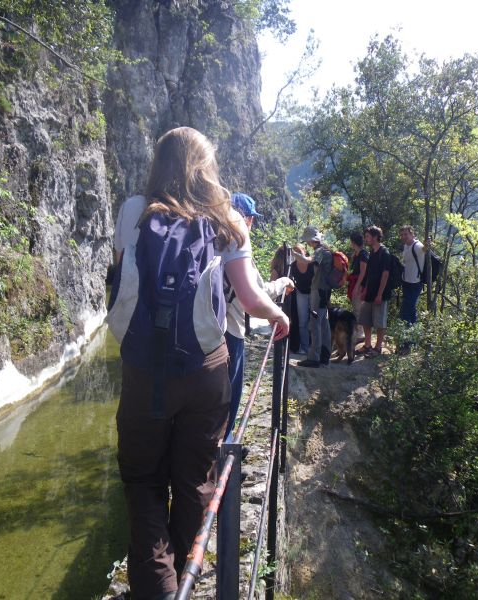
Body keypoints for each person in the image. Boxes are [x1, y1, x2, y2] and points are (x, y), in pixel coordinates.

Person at [115, 127, 289, 600]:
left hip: (143, 372)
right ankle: (182, 576)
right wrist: (277, 315)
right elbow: (250, 297)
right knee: (194, 478)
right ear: (206, 167)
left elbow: (128, 286)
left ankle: (160, 589)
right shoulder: (227, 218)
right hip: (205, 371)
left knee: (143, 481)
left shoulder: (133, 210)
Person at [224, 192, 294, 442]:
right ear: (248, 219)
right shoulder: (236, 242)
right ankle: (223, 458)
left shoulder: (208, 236)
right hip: (229, 331)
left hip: (200, 329)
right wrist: (284, 283)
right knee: (229, 398)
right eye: (252, 219)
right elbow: (257, 294)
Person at [291, 226, 333, 368]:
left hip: (318, 291)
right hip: (324, 292)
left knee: (315, 323)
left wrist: (295, 255)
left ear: (311, 240)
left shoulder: (320, 251)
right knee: (323, 323)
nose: (307, 243)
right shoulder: (325, 250)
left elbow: (308, 261)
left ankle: (314, 358)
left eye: (307, 240)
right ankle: (325, 355)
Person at [359, 225, 392, 355]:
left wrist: (379, 294)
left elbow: (385, 274)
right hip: (370, 292)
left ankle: (378, 348)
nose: (366, 239)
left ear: (375, 237)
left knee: (379, 321)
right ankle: (367, 345)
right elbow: (369, 273)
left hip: (381, 294)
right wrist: (365, 289)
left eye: (367, 236)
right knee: (365, 319)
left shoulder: (385, 253)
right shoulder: (372, 252)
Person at [399, 224, 428, 325]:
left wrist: (427, 245)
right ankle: (411, 334)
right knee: (410, 309)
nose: (403, 237)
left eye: (406, 234)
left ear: (412, 234)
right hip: (406, 281)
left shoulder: (417, 246)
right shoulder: (406, 246)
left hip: (415, 283)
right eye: (402, 235)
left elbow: (424, 249)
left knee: (407, 309)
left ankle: (408, 334)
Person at [290, 243, 313, 355]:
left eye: (299, 251)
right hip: (301, 294)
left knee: (315, 320)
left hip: (314, 293)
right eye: (295, 252)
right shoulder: (293, 266)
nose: (298, 254)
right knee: (302, 322)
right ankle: (305, 347)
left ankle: (315, 346)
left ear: (304, 251)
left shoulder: (311, 262)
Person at [347, 231, 368, 340]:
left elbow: (363, 272)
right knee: (356, 308)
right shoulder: (357, 254)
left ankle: (361, 333)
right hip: (355, 283)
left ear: (354, 242)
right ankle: (359, 331)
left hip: (360, 285)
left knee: (358, 309)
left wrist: (357, 287)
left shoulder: (363, 254)